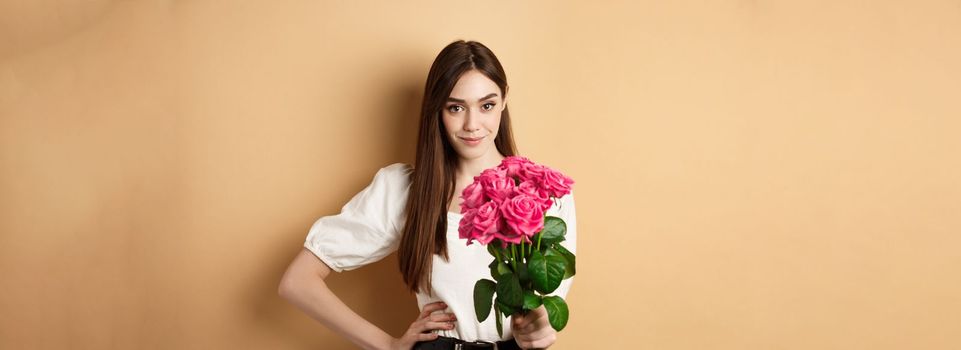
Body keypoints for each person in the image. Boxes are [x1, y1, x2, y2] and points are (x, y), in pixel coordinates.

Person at [278, 40, 577, 350]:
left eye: (486, 105)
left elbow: (547, 309)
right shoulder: (407, 190)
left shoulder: (543, 191)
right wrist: (389, 345)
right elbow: (298, 281)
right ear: (438, 109)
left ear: (503, 101)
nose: (472, 125)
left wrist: (540, 330)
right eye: (455, 107)